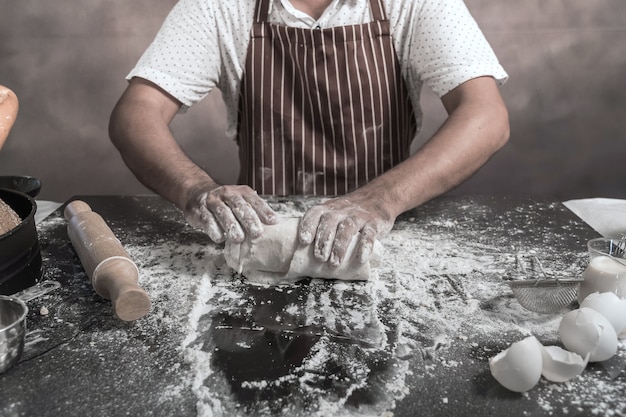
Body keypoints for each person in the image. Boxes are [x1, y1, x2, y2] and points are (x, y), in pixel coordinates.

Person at [109, 0, 509, 268]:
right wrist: (196, 189)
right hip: (263, 242)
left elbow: (485, 116)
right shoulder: (220, 6)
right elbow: (135, 115)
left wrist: (380, 200)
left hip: (386, 242)